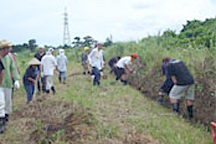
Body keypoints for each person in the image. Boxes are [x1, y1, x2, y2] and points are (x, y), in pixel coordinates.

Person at [0, 39, 20, 133]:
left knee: (8, 102)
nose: (9, 50)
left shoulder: (10, 57)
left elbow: (13, 68)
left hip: (8, 82)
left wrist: (16, 79)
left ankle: (6, 119)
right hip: (0, 83)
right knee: (1, 103)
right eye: (8, 48)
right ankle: (2, 123)